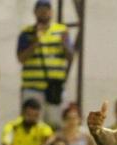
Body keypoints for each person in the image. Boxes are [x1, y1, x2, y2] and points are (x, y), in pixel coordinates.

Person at [17, 0, 73, 128]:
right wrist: (36, 42)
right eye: (40, 10)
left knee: (55, 124)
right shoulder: (26, 32)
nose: (43, 13)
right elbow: (21, 58)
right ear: (35, 12)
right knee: (31, 123)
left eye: (46, 10)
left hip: (54, 87)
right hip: (32, 87)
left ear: (51, 12)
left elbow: (70, 57)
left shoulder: (61, 30)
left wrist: (65, 45)